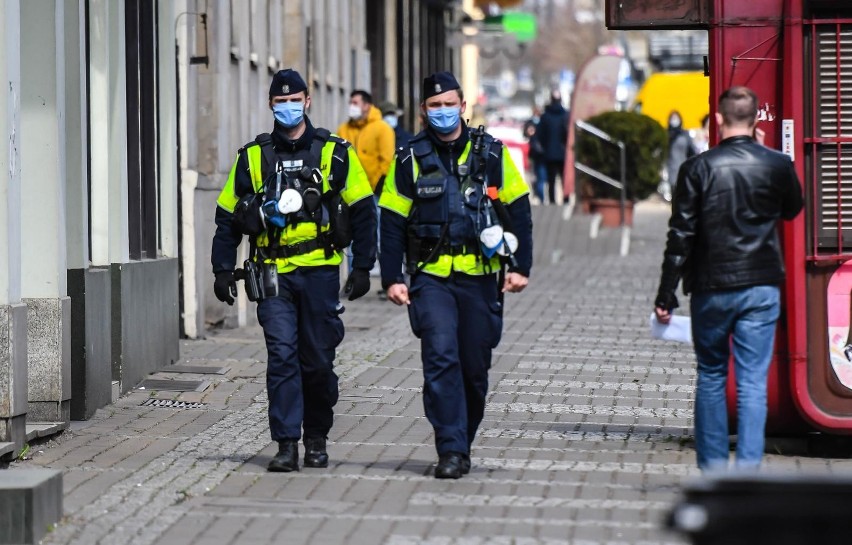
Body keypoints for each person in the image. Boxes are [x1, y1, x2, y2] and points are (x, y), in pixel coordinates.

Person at [211, 69, 377, 473]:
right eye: (279, 101)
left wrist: (363, 267)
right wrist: (221, 269)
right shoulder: (253, 157)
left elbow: (363, 210)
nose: (287, 106)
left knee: (317, 361)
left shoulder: (334, 152)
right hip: (272, 274)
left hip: (321, 272)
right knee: (282, 356)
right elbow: (227, 217)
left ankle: (316, 437)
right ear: (271, 104)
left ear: (308, 100)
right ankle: (286, 443)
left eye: (294, 99)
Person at [378, 71, 533, 479]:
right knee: (440, 358)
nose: (443, 112)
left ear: (463, 107)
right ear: (423, 111)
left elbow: (518, 210)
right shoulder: (409, 158)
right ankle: (450, 449)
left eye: (450, 104)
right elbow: (391, 221)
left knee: (474, 368)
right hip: (431, 277)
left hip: (481, 276)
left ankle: (462, 441)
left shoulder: (492, 154)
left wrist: (520, 267)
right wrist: (392, 276)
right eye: (435, 106)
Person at [653, 86, 803, 472]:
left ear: (717, 119)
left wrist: (666, 294)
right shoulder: (776, 164)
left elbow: (680, 236)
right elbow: (793, 209)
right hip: (761, 285)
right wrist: (770, 155)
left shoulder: (697, 168)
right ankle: (748, 474)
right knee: (753, 382)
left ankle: (713, 474)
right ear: (756, 120)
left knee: (712, 375)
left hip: (711, 287)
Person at [337, 90, 396, 195]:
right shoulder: (343, 129)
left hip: (374, 191)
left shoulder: (382, 128)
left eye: (355, 103)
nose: (351, 106)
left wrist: (378, 185)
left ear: (366, 106)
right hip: (349, 191)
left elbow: (387, 161)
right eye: (350, 103)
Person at [665, 110, 699, 190]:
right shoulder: (666, 134)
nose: (674, 120)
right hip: (669, 170)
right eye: (672, 118)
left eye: (676, 118)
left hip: (683, 168)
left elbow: (692, 151)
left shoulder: (684, 134)